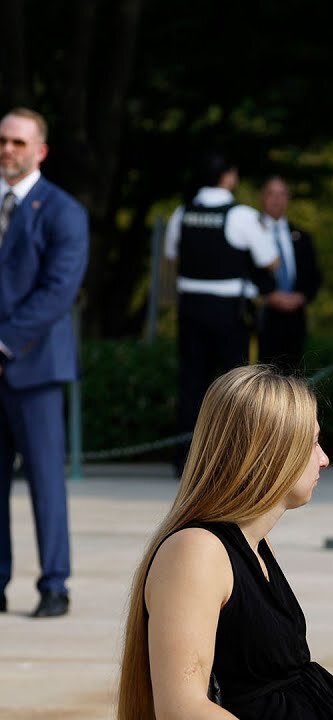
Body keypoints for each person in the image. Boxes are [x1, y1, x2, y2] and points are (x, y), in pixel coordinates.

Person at [117, 365, 333, 720]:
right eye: (313, 443)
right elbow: (182, 709)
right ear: (272, 453)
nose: (325, 459)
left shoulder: (253, 547)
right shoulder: (197, 552)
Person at [0, 107, 89, 618]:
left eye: (18, 141)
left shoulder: (62, 210)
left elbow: (58, 291)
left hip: (34, 370)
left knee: (45, 483)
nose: (8, 149)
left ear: (40, 150)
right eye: (3, 140)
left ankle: (54, 583)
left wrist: (4, 344)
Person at [165, 153, 279, 475]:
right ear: (228, 177)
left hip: (190, 307)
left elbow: (172, 254)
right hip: (228, 311)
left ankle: (186, 459)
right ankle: (232, 461)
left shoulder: (183, 212)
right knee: (235, 384)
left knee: (191, 383)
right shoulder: (241, 215)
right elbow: (270, 261)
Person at [257, 176, 322, 374]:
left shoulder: (301, 236)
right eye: (271, 193)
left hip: (295, 320)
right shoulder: (250, 233)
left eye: (282, 194)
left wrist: (301, 296)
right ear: (262, 197)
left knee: (292, 379)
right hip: (261, 319)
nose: (277, 199)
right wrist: (268, 296)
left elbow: (315, 276)